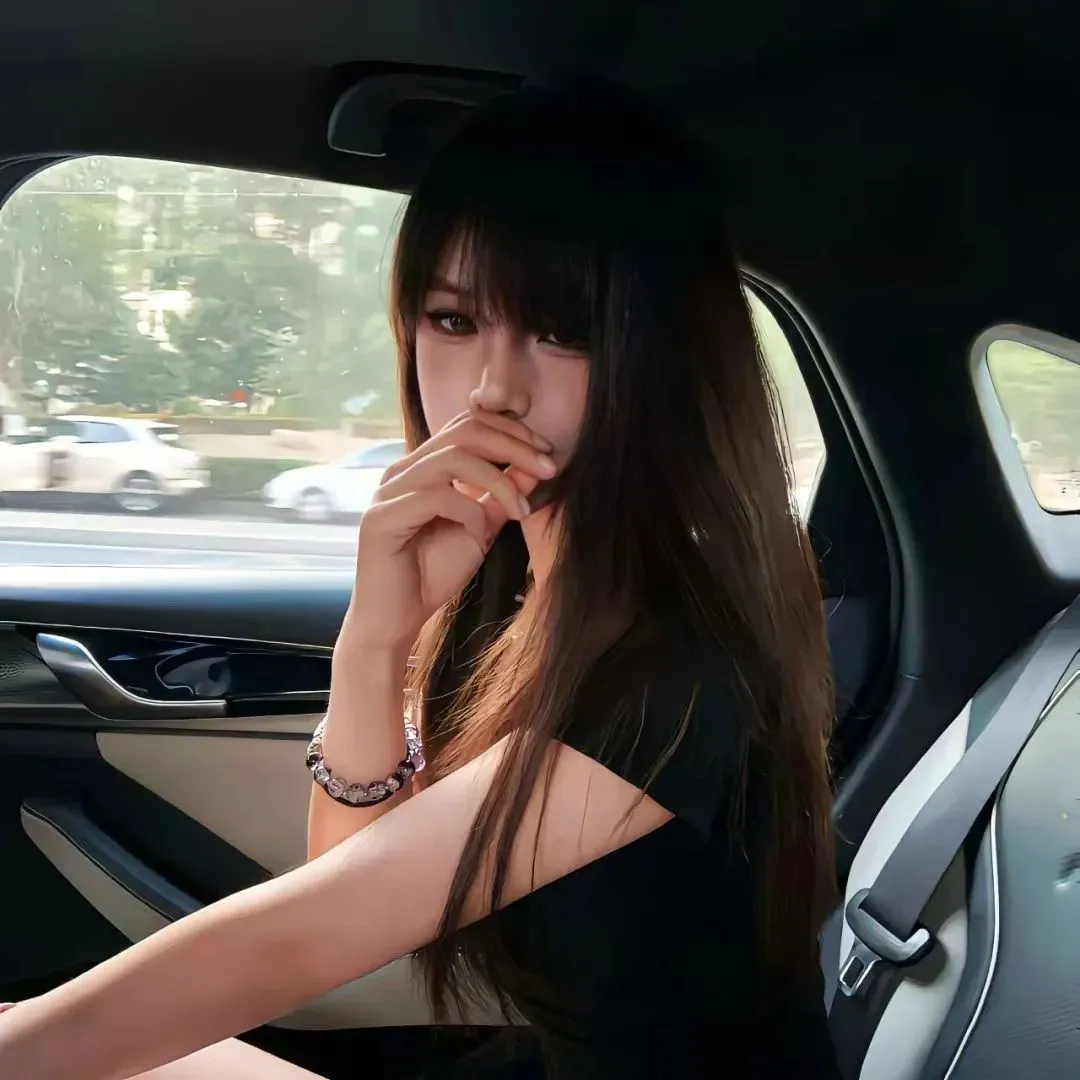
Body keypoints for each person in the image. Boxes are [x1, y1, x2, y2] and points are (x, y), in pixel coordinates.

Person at [0, 82, 840, 1079]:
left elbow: (302, 939)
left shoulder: (681, 665)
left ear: (661, 355)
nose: (494, 388)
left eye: (562, 332)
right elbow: (354, 875)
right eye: (453, 320)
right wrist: (376, 635)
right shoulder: (511, 588)